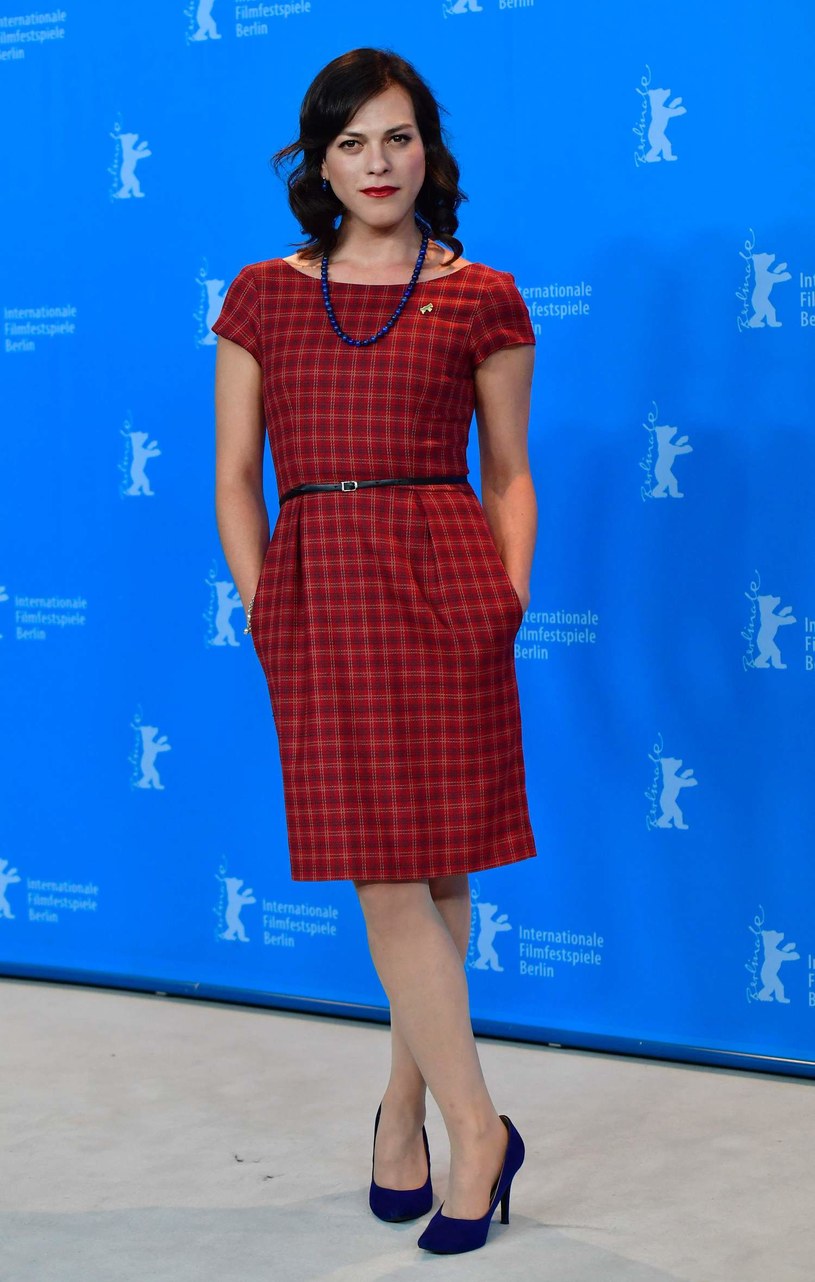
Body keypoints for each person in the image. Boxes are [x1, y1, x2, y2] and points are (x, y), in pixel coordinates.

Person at [212, 47, 537, 1255]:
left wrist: (503, 596)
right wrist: (265, 605)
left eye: (395, 138)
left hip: (446, 586)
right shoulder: (260, 296)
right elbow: (235, 478)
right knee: (386, 871)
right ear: (318, 161)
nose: (376, 164)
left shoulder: (483, 297)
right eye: (350, 144)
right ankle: (480, 1127)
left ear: (426, 146)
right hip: (322, 591)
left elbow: (508, 473)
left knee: (439, 868)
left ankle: (405, 1116)